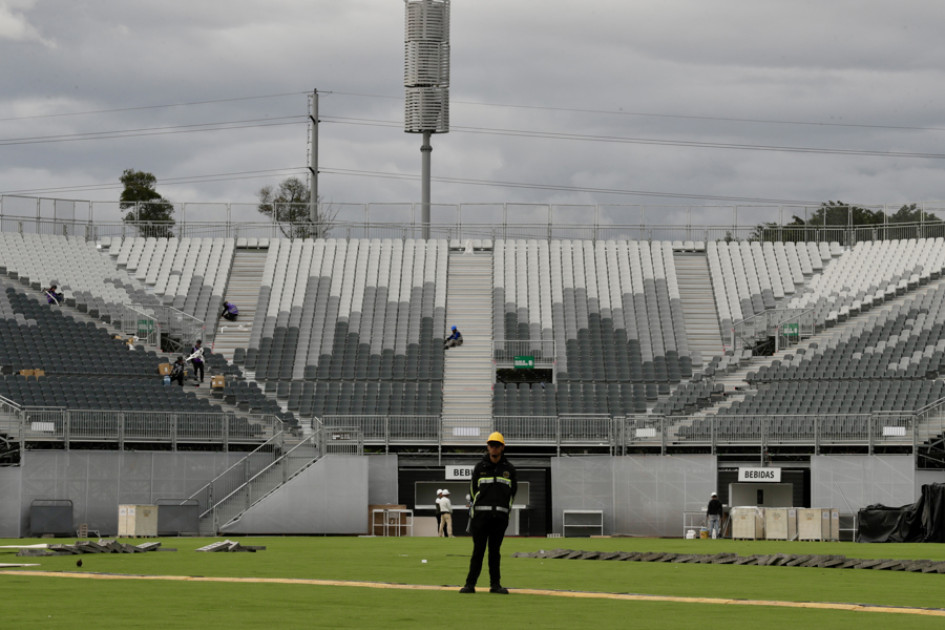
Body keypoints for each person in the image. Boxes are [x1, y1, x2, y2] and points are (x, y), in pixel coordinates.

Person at [460, 431, 517, 594]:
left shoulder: (509, 469)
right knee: (478, 551)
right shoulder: (480, 467)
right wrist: (474, 514)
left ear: (502, 447)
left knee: (494, 552)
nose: (494, 448)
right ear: (488, 447)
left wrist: (505, 514)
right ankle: (470, 584)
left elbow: (512, 493)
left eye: (497, 445)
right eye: (491, 445)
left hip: (499, 519)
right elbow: (473, 491)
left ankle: (495, 585)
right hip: (480, 519)